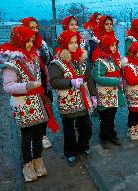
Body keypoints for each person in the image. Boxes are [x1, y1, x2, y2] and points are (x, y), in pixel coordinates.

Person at [0, 25, 58, 182]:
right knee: (26, 136)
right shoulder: (12, 62)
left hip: (36, 101)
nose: (30, 44)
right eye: (27, 41)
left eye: (31, 41)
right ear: (18, 39)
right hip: (22, 104)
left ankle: (38, 159)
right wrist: (27, 86)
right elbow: (7, 86)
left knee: (38, 134)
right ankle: (27, 165)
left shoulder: (34, 58)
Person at [50, 30, 97, 163]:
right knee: (69, 130)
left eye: (76, 42)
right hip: (68, 101)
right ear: (64, 44)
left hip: (83, 99)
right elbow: (53, 81)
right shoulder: (57, 62)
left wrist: (93, 96)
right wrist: (70, 82)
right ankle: (70, 151)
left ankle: (83, 146)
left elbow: (89, 78)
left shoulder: (81, 59)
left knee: (86, 126)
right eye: (71, 43)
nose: (75, 45)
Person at [22, 17, 54, 149]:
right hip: (30, 84)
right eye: (31, 28)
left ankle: (43, 135)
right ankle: (31, 137)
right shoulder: (21, 45)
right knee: (33, 109)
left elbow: (50, 60)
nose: (35, 30)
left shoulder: (43, 44)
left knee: (46, 107)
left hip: (44, 82)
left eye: (36, 28)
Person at [93, 35, 125, 149]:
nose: (114, 47)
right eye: (112, 45)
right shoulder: (100, 61)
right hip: (105, 93)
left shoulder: (113, 58)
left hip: (114, 93)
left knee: (112, 115)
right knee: (105, 117)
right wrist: (116, 80)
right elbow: (98, 77)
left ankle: (111, 134)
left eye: (115, 45)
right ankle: (104, 136)